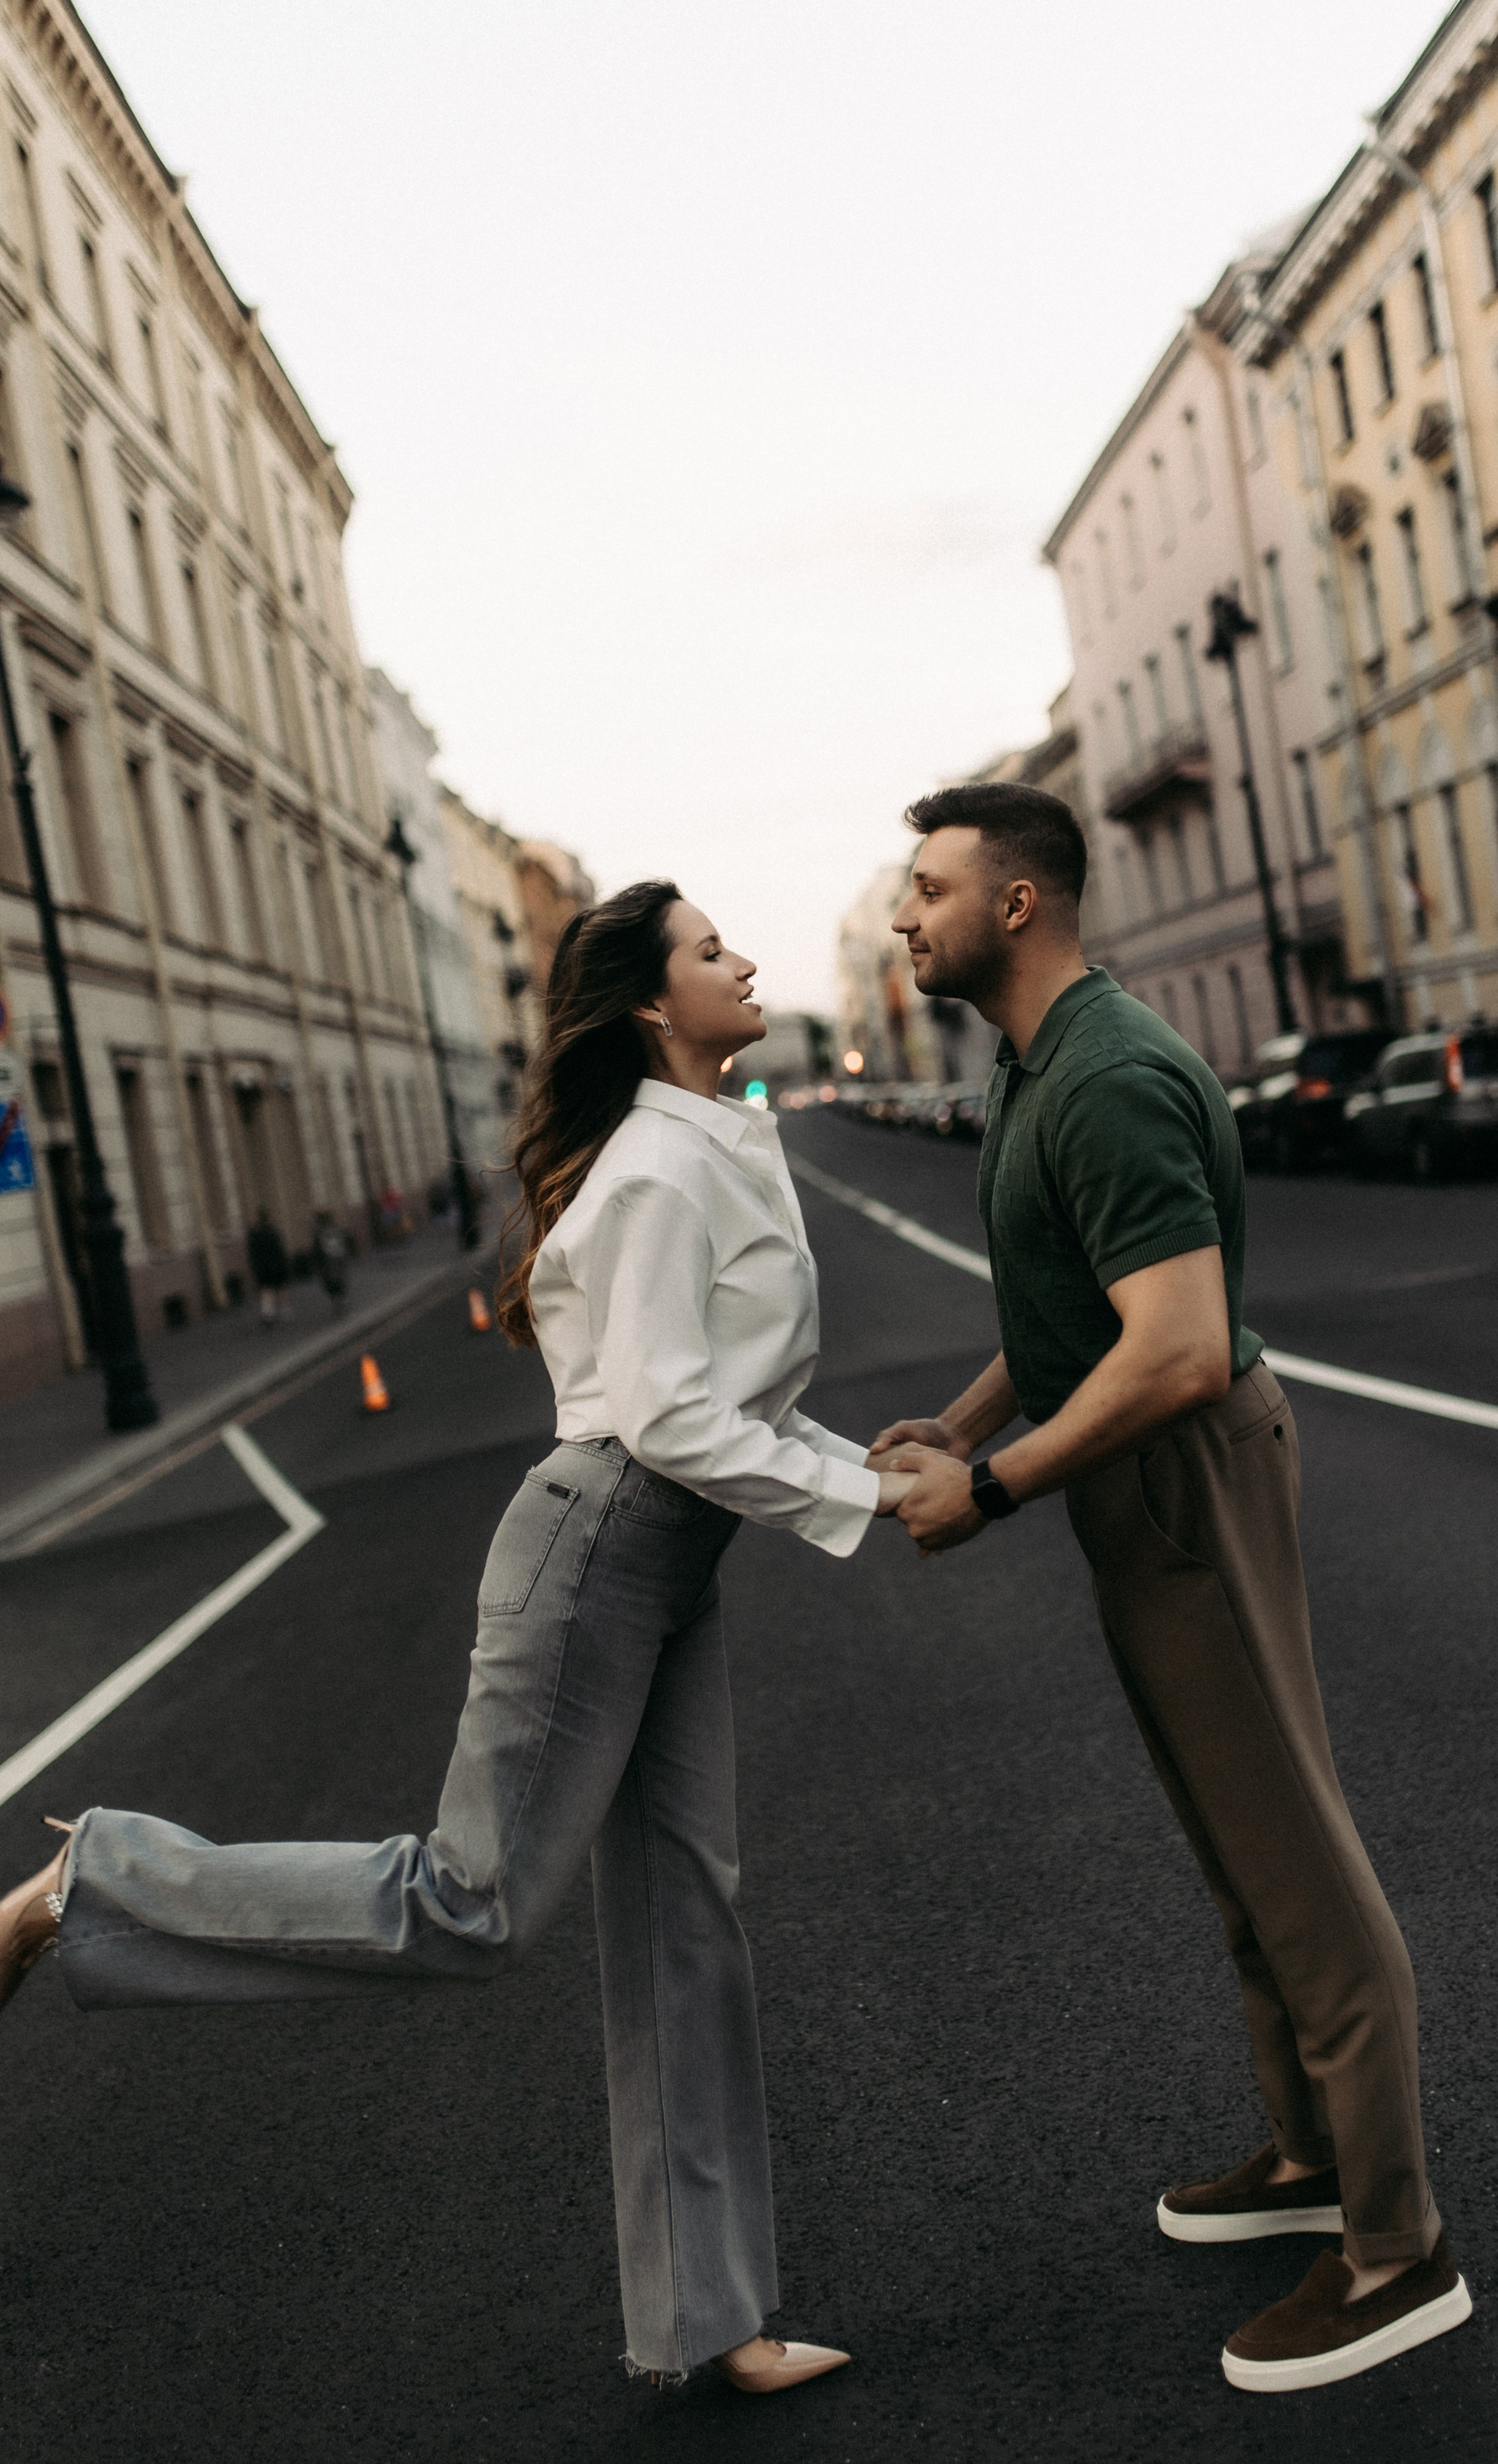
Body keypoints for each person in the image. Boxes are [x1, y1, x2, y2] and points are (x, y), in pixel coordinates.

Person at [0, 881, 915, 2399]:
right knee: (468, 1904)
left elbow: (724, 1398)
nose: (744, 960)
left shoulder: (702, 1140)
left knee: (687, 1921)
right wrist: (867, 1498)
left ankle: (715, 2318)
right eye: (709, 950)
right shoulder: (652, 1171)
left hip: (667, 1551)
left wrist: (870, 1466)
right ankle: (87, 1884)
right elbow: (666, 1419)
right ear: (649, 1003)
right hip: (604, 1545)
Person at [871, 783, 1470, 2395]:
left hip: (1185, 1471)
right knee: (1232, 1846)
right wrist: (965, 1423)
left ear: (1013, 904)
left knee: (1295, 1856)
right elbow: (1076, 1304)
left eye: (926, 888)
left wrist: (991, 1485)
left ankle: (1395, 2248)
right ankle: (1307, 2157)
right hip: (1134, 1479)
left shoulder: (1110, 1076)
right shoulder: (1031, 1064)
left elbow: (1180, 1348)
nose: (901, 915)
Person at [246, 1207, 290, 1324]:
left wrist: (255, 1267)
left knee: (265, 1289)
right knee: (281, 1288)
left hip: (262, 1267)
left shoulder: (255, 1234)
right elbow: (280, 1250)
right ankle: (285, 1310)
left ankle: (268, 1312)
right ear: (269, 1218)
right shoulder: (273, 1233)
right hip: (276, 1265)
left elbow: (253, 1253)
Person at [313, 1212, 349, 1311]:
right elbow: (344, 1244)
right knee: (340, 1278)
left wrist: (317, 1264)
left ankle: (335, 1299)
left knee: (330, 1281)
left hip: (327, 1262)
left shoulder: (319, 1233)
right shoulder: (336, 1230)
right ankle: (341, 1298)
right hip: (338, 1260)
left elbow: (316, 1250)